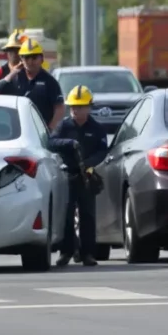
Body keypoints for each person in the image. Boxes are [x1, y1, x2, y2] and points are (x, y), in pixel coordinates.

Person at [52, 85, 108, 267]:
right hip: (68, 175)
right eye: (73, 107)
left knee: (88, 216)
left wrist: (90, 164)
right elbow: (50, 142)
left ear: (89, 107)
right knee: (67, 215)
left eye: (81, 106)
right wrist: (68, 143)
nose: (76, 110)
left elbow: (102, 151)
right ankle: (66, 251)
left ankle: (88, 254)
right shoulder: (64, 126)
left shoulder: (97, 128)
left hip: (87, 176)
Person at [0, 38, 65, 131]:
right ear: (21, 59)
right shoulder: (14, 78)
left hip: (39, 132)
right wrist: (12, 73)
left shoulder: (49, 81)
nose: (30, 61)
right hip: (16, 131)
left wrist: (50, 129)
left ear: (41, 59)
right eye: (26, 57)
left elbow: (59, 108)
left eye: (34, 57)